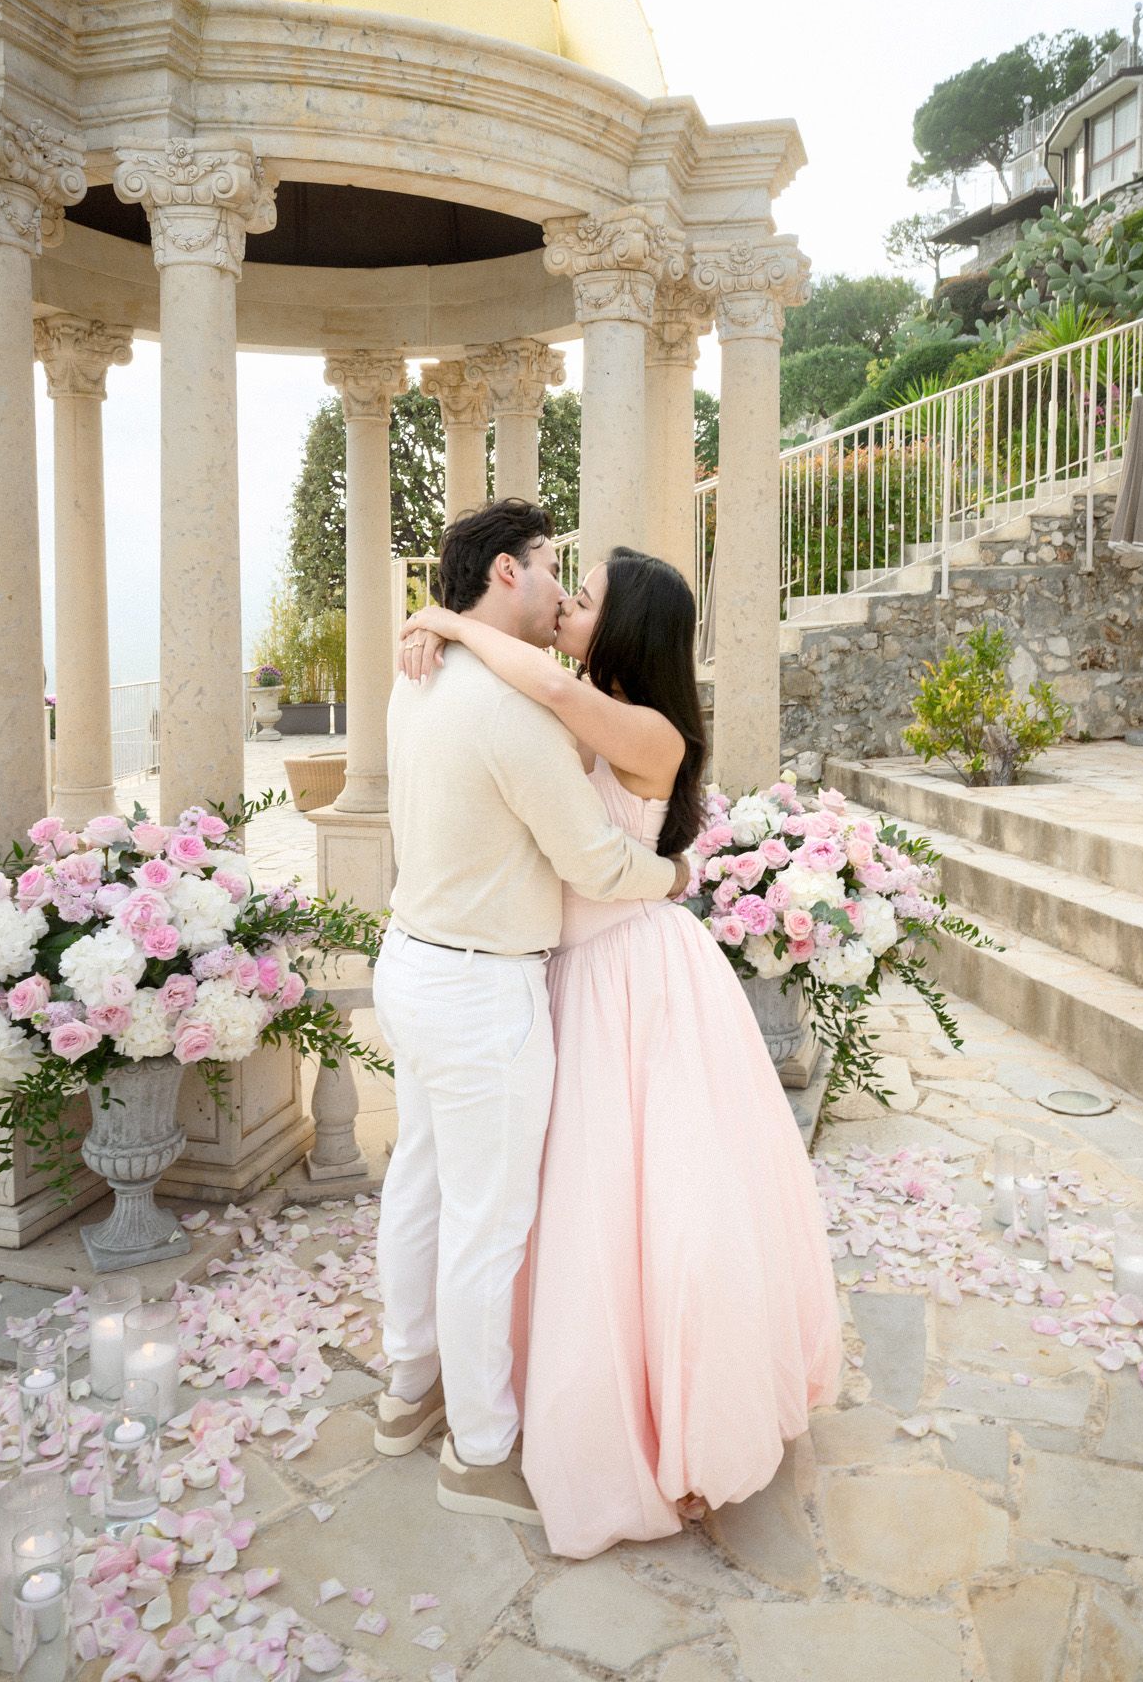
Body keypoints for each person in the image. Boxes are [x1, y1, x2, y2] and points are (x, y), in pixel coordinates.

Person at [399, 546, 843, 1560]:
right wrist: (456, 635)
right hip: (562, 971)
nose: (568, 602)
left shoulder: (645, 727)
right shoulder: (567, 703)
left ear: (627, 623)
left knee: (655, 1202)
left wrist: (457, 621)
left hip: (633, 977)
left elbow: (544, 681)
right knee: (560, 1198)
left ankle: (669, 1414)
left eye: (586, 595)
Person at [372, 501, 689, 1528]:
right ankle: (481, 1449)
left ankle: (405, 1388)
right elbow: (592, 862)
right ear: (507, 572)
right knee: (485, 1224)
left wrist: (445, 620)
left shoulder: (415, 674)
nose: (561, 591)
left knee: (418, 1185)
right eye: (553, 570)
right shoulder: (514, 710)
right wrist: (679, 872)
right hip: (478, 986)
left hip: (410, 960)